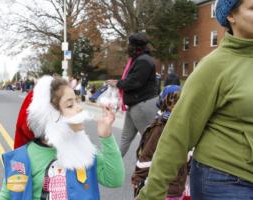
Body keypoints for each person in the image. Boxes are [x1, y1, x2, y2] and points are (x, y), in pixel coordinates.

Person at [136, 0, 253, 199]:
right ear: (231, 16)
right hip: (225, 180)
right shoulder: (215, 65)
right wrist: (152, 193)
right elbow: (178, 132)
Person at [0, 75, 125, 200]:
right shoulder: (23, 159)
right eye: (70, 105)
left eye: (77, 101)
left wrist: (106, 136)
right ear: (49, 117)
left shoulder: (84, 149)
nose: (80, 108)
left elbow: (114, 179)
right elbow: (6, 196)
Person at [107, 32, 159, 157]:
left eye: (129, 45)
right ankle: (113, 166)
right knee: (126, 138)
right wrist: (118, 82)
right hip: (135, 105)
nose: (127, 47)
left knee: (150, 140)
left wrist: (118, 84)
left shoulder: (144, 61)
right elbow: (133, 80)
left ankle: (150, 170)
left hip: (142, 105)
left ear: (134, 47)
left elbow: (135, 82)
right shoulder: (140, 60)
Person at [131, 85, 188, 200]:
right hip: (178, 188)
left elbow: (147, 155)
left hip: (160, 188)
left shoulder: (160, 127)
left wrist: (137, 178)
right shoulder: (186, 126)